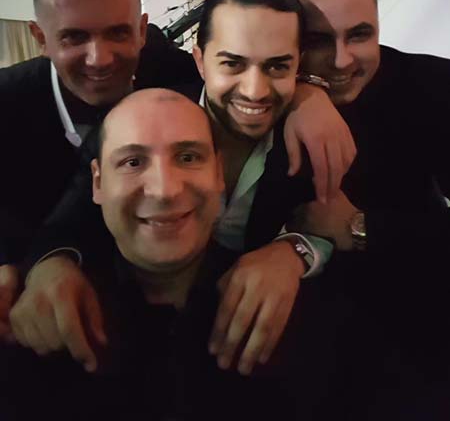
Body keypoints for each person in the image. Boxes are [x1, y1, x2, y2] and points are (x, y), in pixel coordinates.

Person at [0, 0, 355, 334]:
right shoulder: (144, 116)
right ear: (200, 62)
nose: (254, 90)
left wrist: (294, 252)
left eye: (277, 66)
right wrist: (51, 264)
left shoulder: (317, 138)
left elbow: (335, 227)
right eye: (232, 64)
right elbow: (67, 221)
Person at [1, 89, 353, 421]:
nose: (165, 190)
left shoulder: (310, 321)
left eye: (187, 157)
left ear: (218, 173)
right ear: (97, 182)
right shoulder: (31, 322)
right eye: (133, 161)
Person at [290, 0, 450, 417]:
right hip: (311, 348)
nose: (341, 60)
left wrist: (361, 228)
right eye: (318, 40)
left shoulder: (431, 86)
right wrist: (304, 94)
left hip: (422, 325)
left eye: (359, 35)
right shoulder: (266, 97)